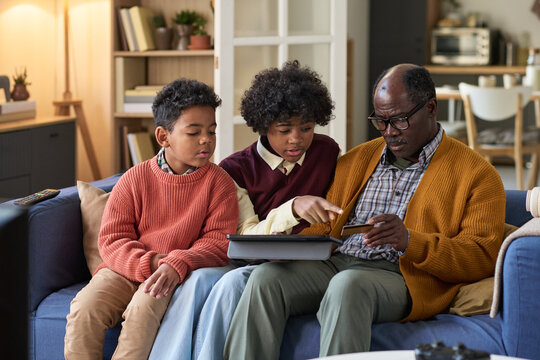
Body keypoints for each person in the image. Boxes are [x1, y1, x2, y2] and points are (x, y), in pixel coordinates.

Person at [223, 63, 507, 359]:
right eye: (380, 121)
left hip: (403, 276)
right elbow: (324, 228)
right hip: (336, 262)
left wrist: (409, 240)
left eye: (399, 121)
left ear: (431, 108)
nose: (390, 132)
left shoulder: (478, 174)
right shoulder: (357, 158)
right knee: (265, 280)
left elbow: (483, 257)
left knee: (349, 286)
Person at [149, 60, 342, 360]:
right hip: (251, 259)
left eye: (306, 128)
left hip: (305, 262)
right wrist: (294, 208)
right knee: (203, 280)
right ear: (263, 125)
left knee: (230, 285)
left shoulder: (326, 152)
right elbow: (242, 237)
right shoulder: (235, 169)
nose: (297, 138)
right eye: (284, 129)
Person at [64, 78, 239, 360]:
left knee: (142, 313)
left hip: (171, 274)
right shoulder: (135, 178)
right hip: (124, 269)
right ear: (163, 137)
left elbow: (220, 242)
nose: (206, 140)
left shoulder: (220, 183)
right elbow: (112, 240)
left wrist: (176, 262)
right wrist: (150, 262)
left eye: (212, 131)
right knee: (84, 308)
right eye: (194, 133)